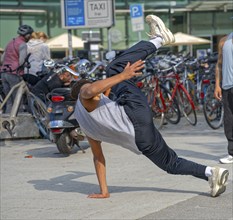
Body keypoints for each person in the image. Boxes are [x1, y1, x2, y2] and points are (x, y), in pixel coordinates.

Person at [71, 15, 229, 199]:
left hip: (140, 139)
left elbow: (98, 159)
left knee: (171, 164)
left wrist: (104, 191)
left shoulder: (87, 126)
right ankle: (160, 39)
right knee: (113, 68)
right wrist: (123, 76)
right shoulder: (84, 94)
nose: (99, 88)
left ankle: (210, 173)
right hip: (135, 114)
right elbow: (89, 90)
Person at [0, 24, 34, 113]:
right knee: (17, 99)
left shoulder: (10, 42)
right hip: (14, 73)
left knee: (8, 100)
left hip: (4, 73)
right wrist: (26, 64)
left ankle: (7, 121)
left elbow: (2, 59)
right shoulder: (22, 44)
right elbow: (21, 61)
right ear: (27, 35)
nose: (30, 37)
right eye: (30, 35)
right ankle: (19, 122)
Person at [214, 32, 233, 164]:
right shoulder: (224, 41)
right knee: (229, 120)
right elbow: (219, 64)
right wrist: (217, 85)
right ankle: (231, 153)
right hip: (227, 85)